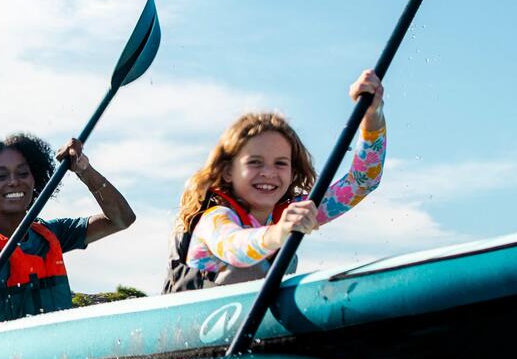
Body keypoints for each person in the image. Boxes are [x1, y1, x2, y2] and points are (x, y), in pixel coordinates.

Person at [164, 71, 386, 293]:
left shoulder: (293, 212)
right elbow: (235, 248)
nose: (269, 173)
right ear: (228, 171)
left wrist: (372, 115)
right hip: (193, 323)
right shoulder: (215, 218)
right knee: (248, 267)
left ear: (292, 171)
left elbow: (362, 181)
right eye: (255, 162)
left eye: (280, 163)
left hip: (258, 320)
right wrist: (279, 232)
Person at [0, 134, 135, 335]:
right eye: (1, 176)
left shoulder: (52, 233)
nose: (14, 182)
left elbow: (122, 219)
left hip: (59, 353)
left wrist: (84, 169)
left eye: (22, 173)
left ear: (35, 179)